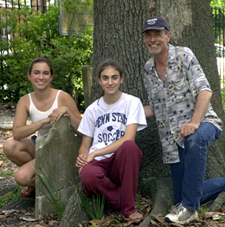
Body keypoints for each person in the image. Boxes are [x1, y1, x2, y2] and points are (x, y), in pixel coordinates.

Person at [141, 16, 225, 225]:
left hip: (204, 123)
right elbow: (156, 109)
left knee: (194, 140)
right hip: (173, 141)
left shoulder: (183, 55)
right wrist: (125, 113)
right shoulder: (147, 69)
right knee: (185, 193)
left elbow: (205, 92)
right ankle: (188, 202)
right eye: (148, 35)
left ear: (167, 36)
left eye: (157, 34)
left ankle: (190, 209)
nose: (153, 39)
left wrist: (195, 123)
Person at [75, 59, 147, 221]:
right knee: (88, 175)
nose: (110, 82)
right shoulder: (92, 109)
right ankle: (118, 198)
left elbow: (129, 138)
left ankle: (128, 208)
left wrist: (95, 153)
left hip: (121, 160)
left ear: (121, 79)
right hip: (98, 163)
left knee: (129, 146)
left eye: (114, 77)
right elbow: (85, 145)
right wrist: (83, 158)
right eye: (105, 78)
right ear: (99, 81)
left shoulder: (132, 102)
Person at [3, 56, 82, 197]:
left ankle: (37, 181)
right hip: (40, 146)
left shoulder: (62, 97)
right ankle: (41, 179)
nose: (41, 77)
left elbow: (82, 130)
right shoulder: (25, 101)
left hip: (62, 149)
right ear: (29, 76)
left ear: (51, 77)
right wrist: (42, 122)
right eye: (36, 73)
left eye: (45, 73)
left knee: (21, 177)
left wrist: (68, 112)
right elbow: (17, 133)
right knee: (9, 145)